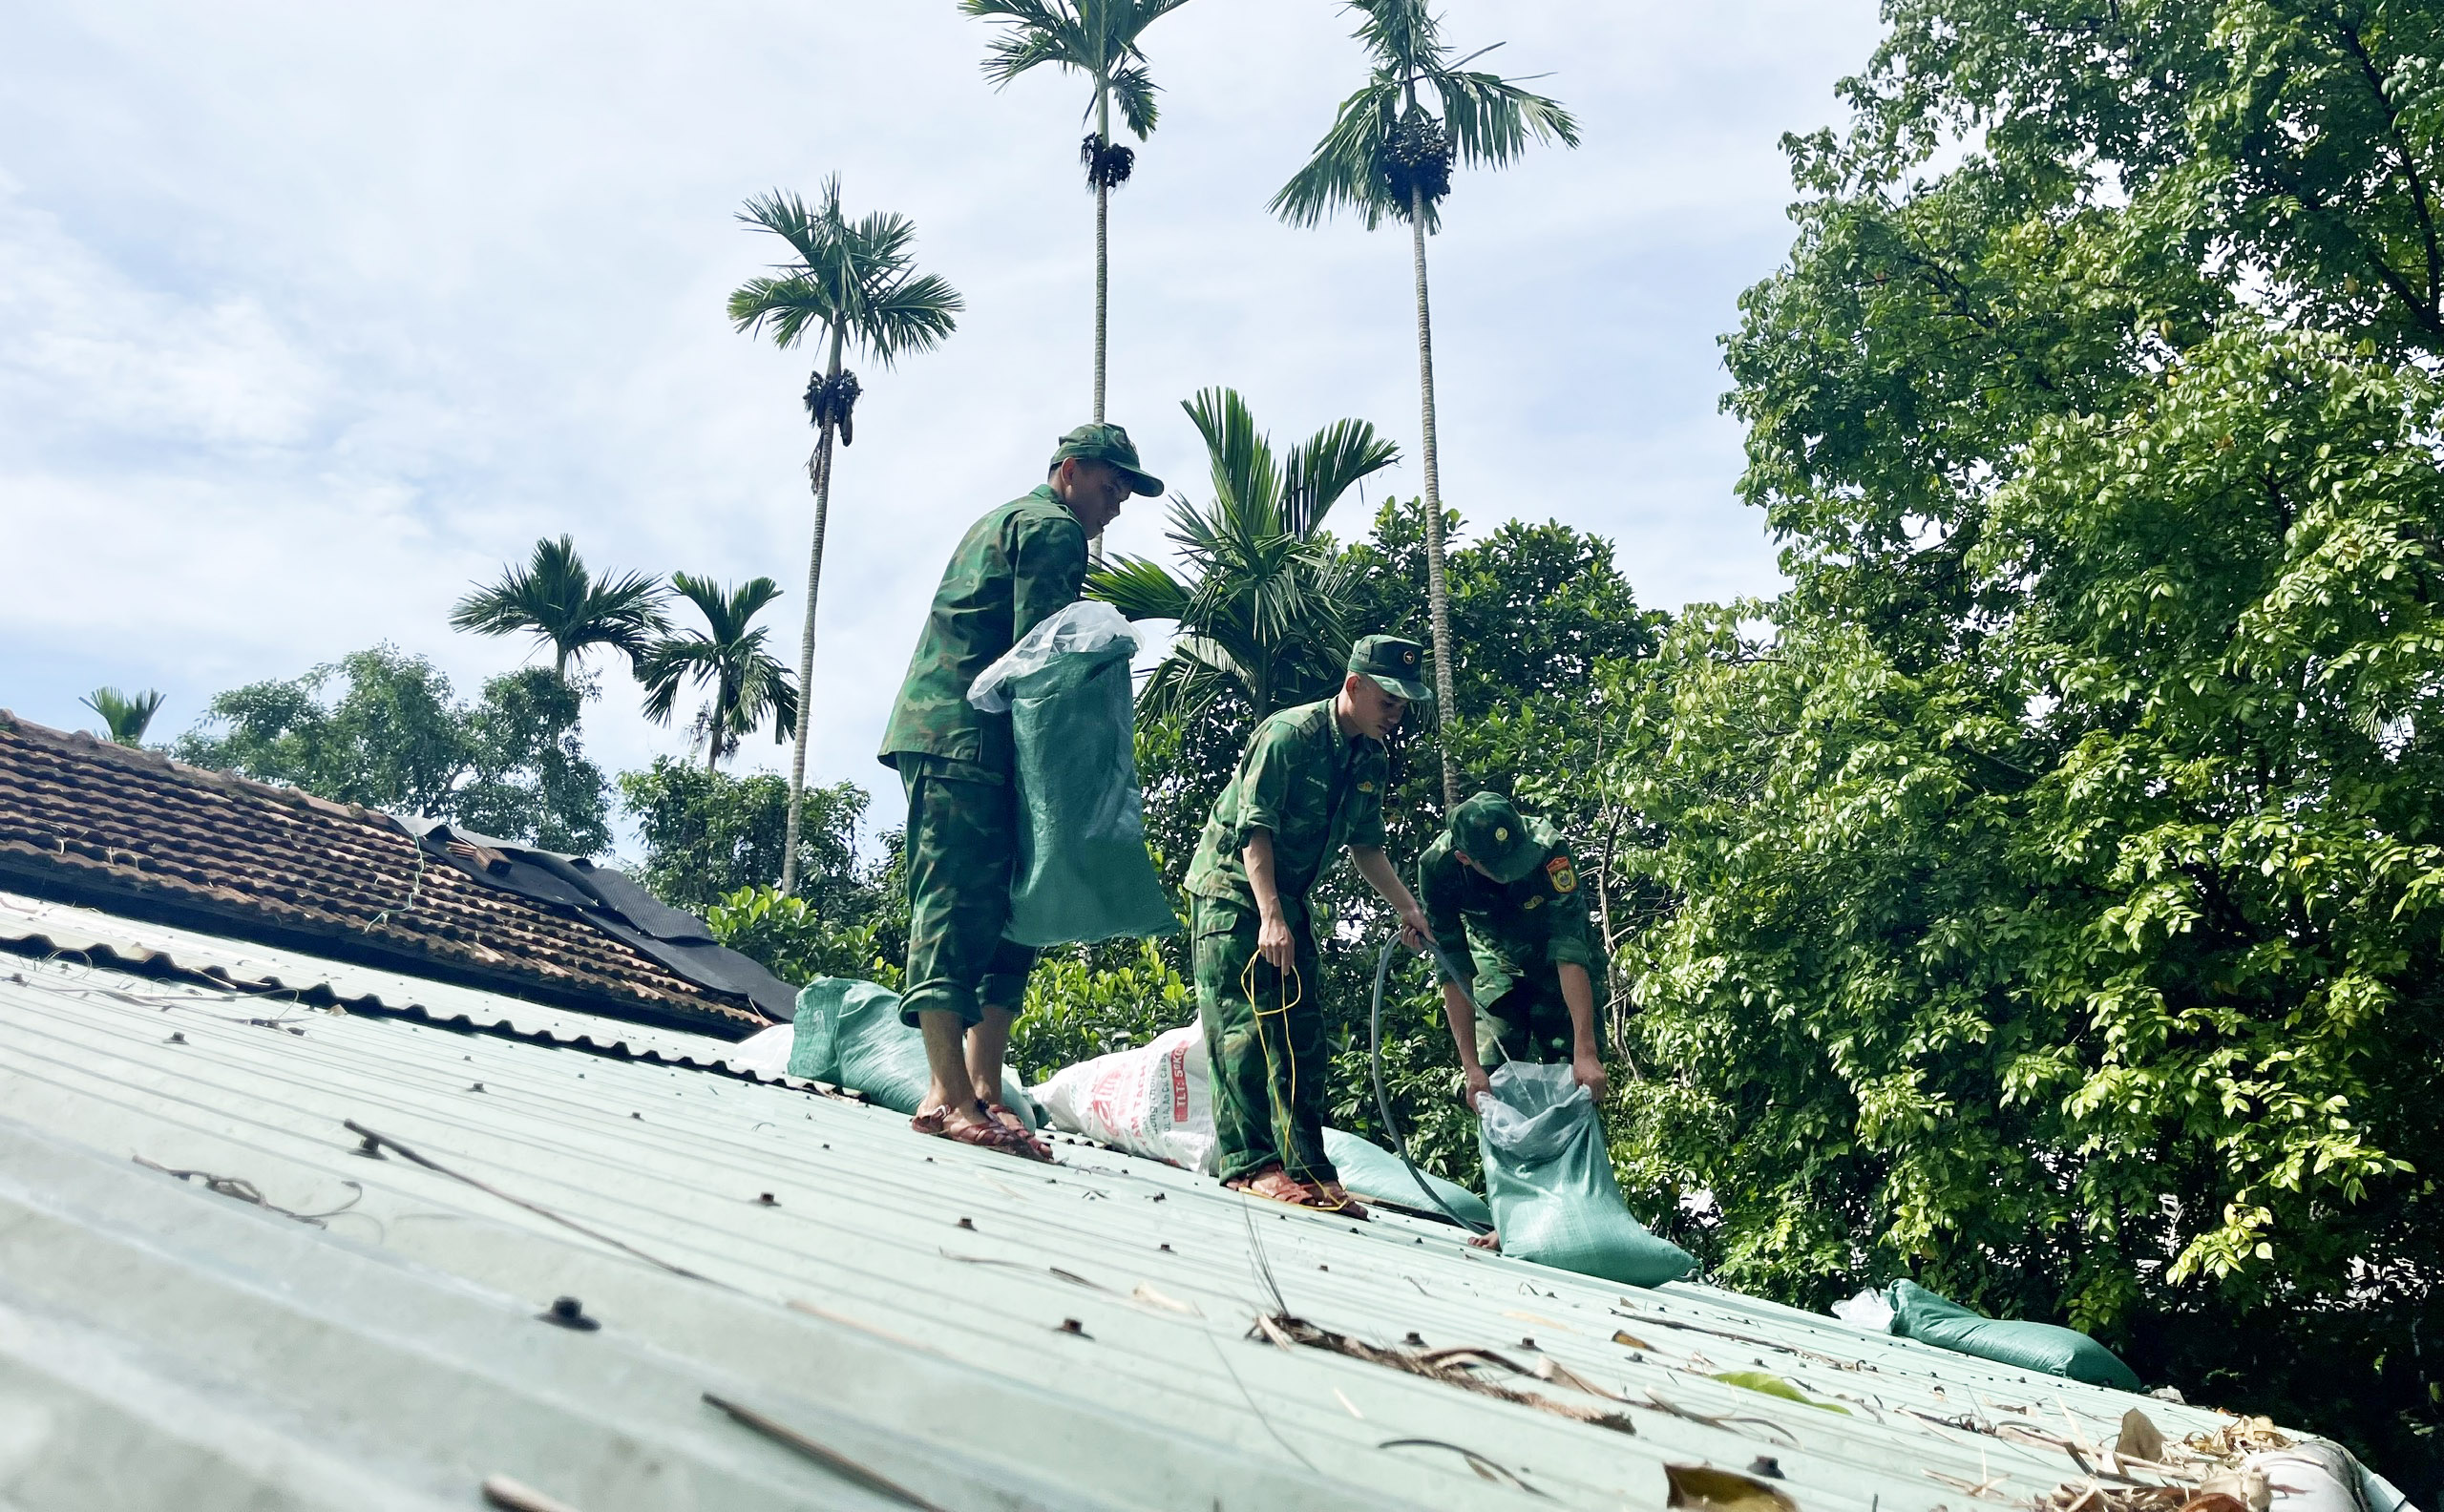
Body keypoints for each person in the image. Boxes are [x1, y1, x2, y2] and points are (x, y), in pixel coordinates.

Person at [877, 423, 1163, 1157]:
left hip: (977, 739)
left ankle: (985, 1088)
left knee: (1014, 905)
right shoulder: (1050, 529)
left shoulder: (1012, 518)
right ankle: (946, 1094)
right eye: (1111, 485)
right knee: (956, 897)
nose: (1119, 503)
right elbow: (1043, 658)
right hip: (963, 738)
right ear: (1071, 471)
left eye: (1127, 490)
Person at [1185, 636, 1437, 1216]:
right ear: (1354, 686)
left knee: (1303, 1036)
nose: (1396, 715)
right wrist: (1270, 916)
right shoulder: (1287, 735)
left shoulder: (1371, 757)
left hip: (1288, 901)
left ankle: (1308, 1171)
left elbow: (1366, 848)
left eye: (1403, 705)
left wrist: (1407, 908)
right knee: (1244, 1030)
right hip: (1234, 894)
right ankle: (1251, 1166)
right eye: (1388, 702)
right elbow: (1256, 833)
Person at [1418, 789, 1609, 1108]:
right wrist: (1471, 1068)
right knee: (1492, 1080)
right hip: (1493, 960)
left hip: (1552, 960)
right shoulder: (1439, 868)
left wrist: (1586, 1052)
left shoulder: (1549, 848)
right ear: (1464, 858)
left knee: (1578, 1080)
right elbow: (1453, 967)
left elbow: (1570, 947)